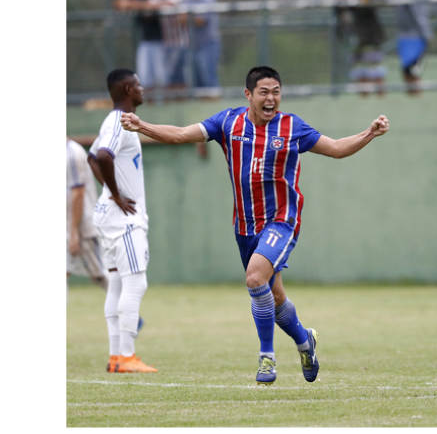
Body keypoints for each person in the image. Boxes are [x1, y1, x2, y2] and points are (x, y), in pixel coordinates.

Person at [117, 66, 390, 385]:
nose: (271, 98)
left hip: (282, 221)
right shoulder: (228, 122)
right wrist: (141, 126)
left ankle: (266, 358)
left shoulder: (292, 127)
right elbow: (179, 135)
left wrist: (369, 132)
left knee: (255, 277)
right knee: (273, 299)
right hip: (245, 227)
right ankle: (306, 342)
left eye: (276, 91)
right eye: (264, 92)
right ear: (249, 95)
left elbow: (337, 149)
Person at [88, 68, 157, 374]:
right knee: (135, 282)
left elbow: (92, 157)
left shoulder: (109, 121)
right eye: (139, 85)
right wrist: (115, 194)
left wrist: (107, 190)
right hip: (123, 220)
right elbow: (103, 156)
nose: (143, 89)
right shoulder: (119, 121)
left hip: (108, 217)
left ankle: (116, 357)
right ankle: (126, 356)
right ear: (128, 89)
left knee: (116, 282)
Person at [373, 0, 433, 95]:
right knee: (405, 71)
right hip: (403, 34)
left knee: (413, 70)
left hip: (417, 33)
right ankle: (411, 98)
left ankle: (417, 98)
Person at [67, 138, 109, 300]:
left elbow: (78, 195)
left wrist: (74, 232)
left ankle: (128, 312)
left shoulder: (72, 153)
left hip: (82, 227)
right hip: (67, 226)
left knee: (99, 274)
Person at [113, 0, 165, 93]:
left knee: (161, 76)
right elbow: (123, 5)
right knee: (144, 76)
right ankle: (149, 102)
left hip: (160, 40)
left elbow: (154, 6)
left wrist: (131, 4)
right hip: (144, 39)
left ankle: (163, 100)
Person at [336, 0, 387, 96]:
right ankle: (364, 101)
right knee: (360, 74)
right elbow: (339, 12)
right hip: (355, 39)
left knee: (376, 72)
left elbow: (373, 0)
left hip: (371, 37)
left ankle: (382, 102)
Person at [179, 0, 221, 92]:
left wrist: (187, 18)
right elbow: (179, 19)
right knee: (195, 79)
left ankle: (215, 103)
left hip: (209, 43)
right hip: (192, 45)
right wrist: (190, 18)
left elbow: (202, 20)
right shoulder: (187, 0)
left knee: (208, 77)